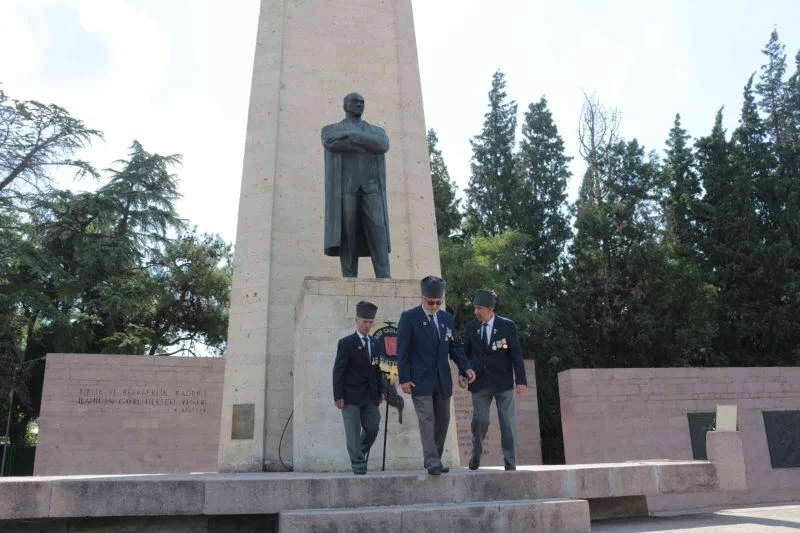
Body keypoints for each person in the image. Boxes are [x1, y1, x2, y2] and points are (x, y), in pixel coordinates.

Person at [397, 275, 475, 475]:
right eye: (431, 302)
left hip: (442, 380)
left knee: (443, 420)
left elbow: (455, 347)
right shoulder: (409, 317)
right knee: (427, 420)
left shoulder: (446, 318)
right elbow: (402, 351)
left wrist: (465, 368)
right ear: (422, 298)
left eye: (438, 303)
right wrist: (404, 378)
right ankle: (432, 463)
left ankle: (436, 459)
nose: (434, 306)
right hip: (419, 380)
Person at [321, 92, 391, 279]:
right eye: (355, 102)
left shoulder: (377, 131)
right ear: (345, 105)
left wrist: (351, 135)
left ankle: (384, 275)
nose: (359, 104)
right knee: (348, 234)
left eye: (362, 102)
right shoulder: (330, 129)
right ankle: (349, 277)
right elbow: (331, 144)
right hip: (346, 189)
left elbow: (382, 145)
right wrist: (367, 145)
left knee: (378, 231)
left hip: (372, 188)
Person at [461, 289, 527, 471]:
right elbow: (465, 355)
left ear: (490, 308)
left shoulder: (507, 326)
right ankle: (476, 453)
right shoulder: (471, 327)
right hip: (479, 383)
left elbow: (516, 354)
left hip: (503, 383)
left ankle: (510, 460)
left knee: (507, 422)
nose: (476, 311)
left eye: (479, 308)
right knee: (480, 421)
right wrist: (463, 373)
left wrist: (521, 381)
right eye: (475, 307)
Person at [332, 300, 385, 475]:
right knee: (353, 432)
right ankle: (357, 463)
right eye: (364, 322)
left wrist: (380, 391)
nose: (367, 325)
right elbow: (338, 371)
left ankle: (359, 452)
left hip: (370, 395)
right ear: (357, 320)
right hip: (350, 396)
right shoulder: (346, 343)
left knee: (373, 427)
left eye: (370, 322)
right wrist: (338, 395)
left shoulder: (376, 343)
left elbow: (377, 370)